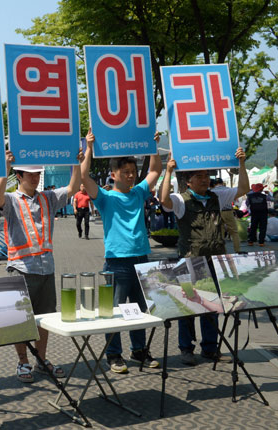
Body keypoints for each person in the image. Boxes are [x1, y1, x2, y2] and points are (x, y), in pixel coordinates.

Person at [0, 143, 84, 383]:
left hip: (46, 268)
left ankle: (41, 361)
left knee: (44, 319)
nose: (35, 178)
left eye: (37, 174)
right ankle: (23, 362)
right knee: (21, 320)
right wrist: (5, 167)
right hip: (21, 269)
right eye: (30, 174)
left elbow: (73, 188)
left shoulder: (48, 197)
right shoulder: (12, 200)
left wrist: (76, 162)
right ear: (19, 175)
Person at [80, 129, 162, 374]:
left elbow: (155, 171)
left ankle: (139, 350)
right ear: (113, 174)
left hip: (141, 259)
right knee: (114, 311)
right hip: (117, 262)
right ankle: (114, 354)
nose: (131, 175)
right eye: (125, 172)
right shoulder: (105, 198)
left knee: (140, 309)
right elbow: (84, 176)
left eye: (133, 171)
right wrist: (89, 149)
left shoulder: (138, 193)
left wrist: (153, 147)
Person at [160, 147, 249, 366]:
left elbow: (244, 188)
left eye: (206, 175)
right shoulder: (180, 200)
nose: (204, 179)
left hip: (215, 261)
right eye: (198, 176)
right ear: (188, 181)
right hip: (190, 261)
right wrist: (168, 171)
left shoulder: (218, 196)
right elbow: (164, 200)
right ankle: (186, 349)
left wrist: (242, 164)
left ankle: (210, 349)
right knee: (188, 307)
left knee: (212, 306)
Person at [213, 178, 240, 253]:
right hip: (228, 211)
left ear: (214, 184)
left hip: (217, 213)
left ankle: (222, 251)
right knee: (234, 232)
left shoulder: (212, 191)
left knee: (220, 232)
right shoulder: (229, 190)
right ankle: (237, 250)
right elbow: (234, 200)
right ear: (222, 182)